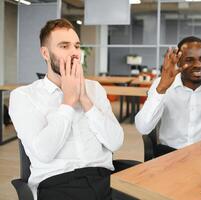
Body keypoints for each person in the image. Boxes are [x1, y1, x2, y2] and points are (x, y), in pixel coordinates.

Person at [9, 18, 124, 200]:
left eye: (77, 46)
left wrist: (85, 99)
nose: (74, 53)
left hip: (104, 179)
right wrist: (68, 102)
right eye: (64, 46)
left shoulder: (94, 89)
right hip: (57, 183)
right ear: (45, 53)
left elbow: (115, 142)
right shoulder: (23, 96)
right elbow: (44, 153)